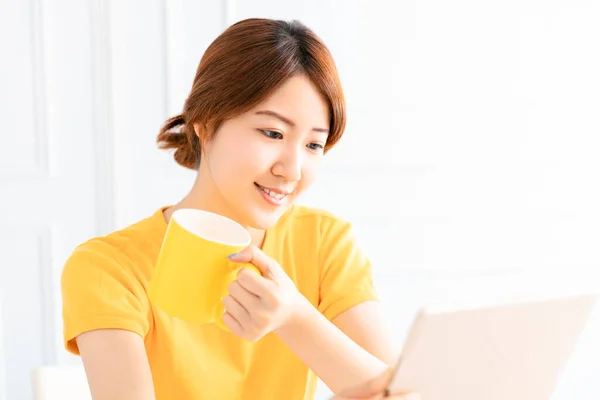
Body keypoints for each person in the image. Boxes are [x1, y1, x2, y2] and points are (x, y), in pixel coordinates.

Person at [61, 18, 419, 400]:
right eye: (273, 133)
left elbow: (402, 394)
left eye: (313, 145)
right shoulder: (108, 268)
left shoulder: (323, 242)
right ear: (205, 123)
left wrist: (294, 317)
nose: (292, 170)